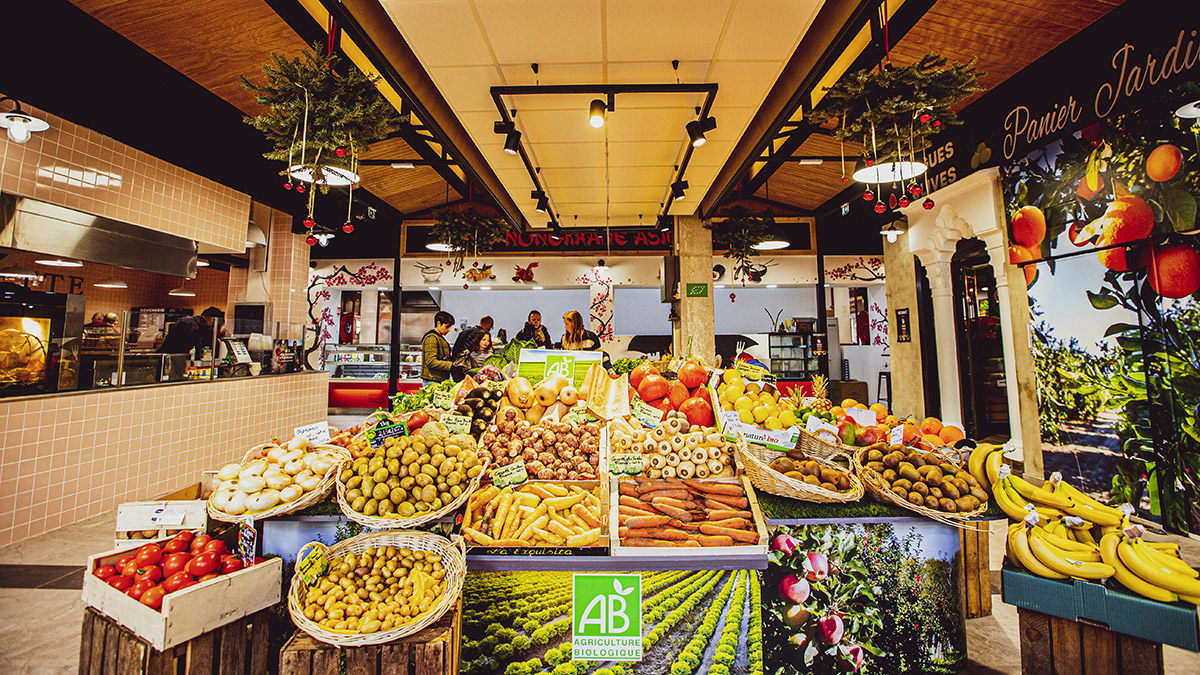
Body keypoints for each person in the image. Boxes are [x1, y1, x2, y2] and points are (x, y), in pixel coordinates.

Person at [158, 307, 228, 355]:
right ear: (212, 319)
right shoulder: (195, 325)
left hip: (168, 355)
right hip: (173, 357)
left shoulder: (189, 321)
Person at [421, 311, 455, 384]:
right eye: (447, 327)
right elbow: (431, 362)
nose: (449, 330)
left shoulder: (439, 338)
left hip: (438, 379)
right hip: (432, 381)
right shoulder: (431, 338)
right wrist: (451, 365)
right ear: (438, 323)